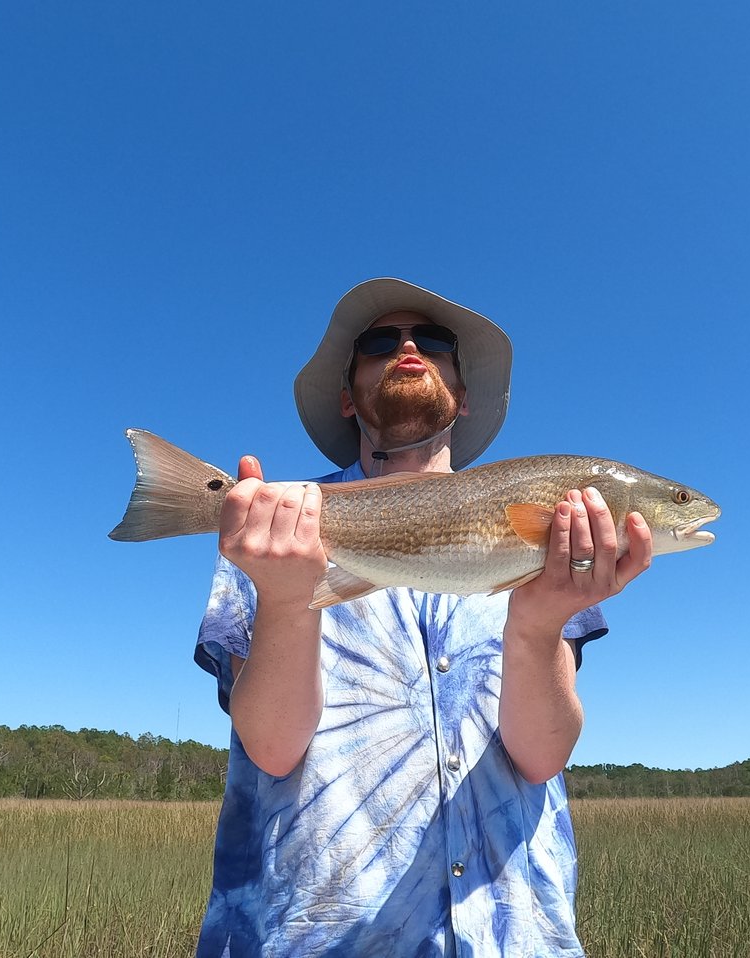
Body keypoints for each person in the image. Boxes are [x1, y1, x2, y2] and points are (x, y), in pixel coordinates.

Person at [192, 278, 654, 957]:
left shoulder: (554, 539)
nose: (407, 348)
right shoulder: (273, 533)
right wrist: (288, 599)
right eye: (380, 344)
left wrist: (536, 625)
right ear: (348, 398)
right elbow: (273, 748)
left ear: (462, 397)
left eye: (431, 342)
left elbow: (542, 754)